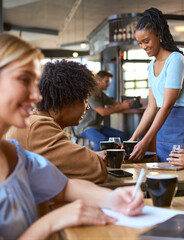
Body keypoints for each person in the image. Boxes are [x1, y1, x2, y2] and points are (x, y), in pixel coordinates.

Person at [0, 33, 144, 240]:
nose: (36, 96)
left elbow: (64, 186)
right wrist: (51, 222)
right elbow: (91, 169)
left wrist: (113, 198)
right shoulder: (36, 127)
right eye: (24, 79)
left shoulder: (13, 153)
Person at [6, 60, 108, 184]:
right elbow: (95, 170)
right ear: (65, 101)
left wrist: (94, 155)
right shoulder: (38, 127)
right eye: (84, 101)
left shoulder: (31, 120)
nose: (87, 107)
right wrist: (95, 159)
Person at [128, 8, 184, 162]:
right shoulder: (151, 66)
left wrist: (146, 140)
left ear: (159, 34)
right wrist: (133, 138)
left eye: (146, 41)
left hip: (183, 124)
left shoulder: (176, 60)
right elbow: (152, 107)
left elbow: (167, 105)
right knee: (165, 173)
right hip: (163, 128)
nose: (143, 46)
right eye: (140, 43)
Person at [77, 70, 132, 151]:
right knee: (102, 141)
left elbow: (114, 104)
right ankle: (94, 162)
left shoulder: (102, 95)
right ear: (98, 81)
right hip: (85, 127)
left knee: (121, 136)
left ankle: (117, 158)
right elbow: (102, 112)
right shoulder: (91, 94)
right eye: (106, 81)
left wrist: (125, 104)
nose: (108, 84)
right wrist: (122, 107)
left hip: (97, 127)